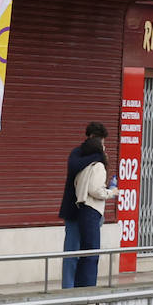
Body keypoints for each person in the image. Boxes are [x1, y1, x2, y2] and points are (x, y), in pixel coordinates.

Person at [58, 123, 118, 288]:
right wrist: (98, 155)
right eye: (99, 141)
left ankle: (80, 286)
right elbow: (74, 166)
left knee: (86, 252)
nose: (102, 145)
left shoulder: (93, 156)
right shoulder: (79, 153)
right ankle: (69, 288)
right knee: (72, 254)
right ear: (91, 138)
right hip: (74, 211)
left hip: (89, 211)